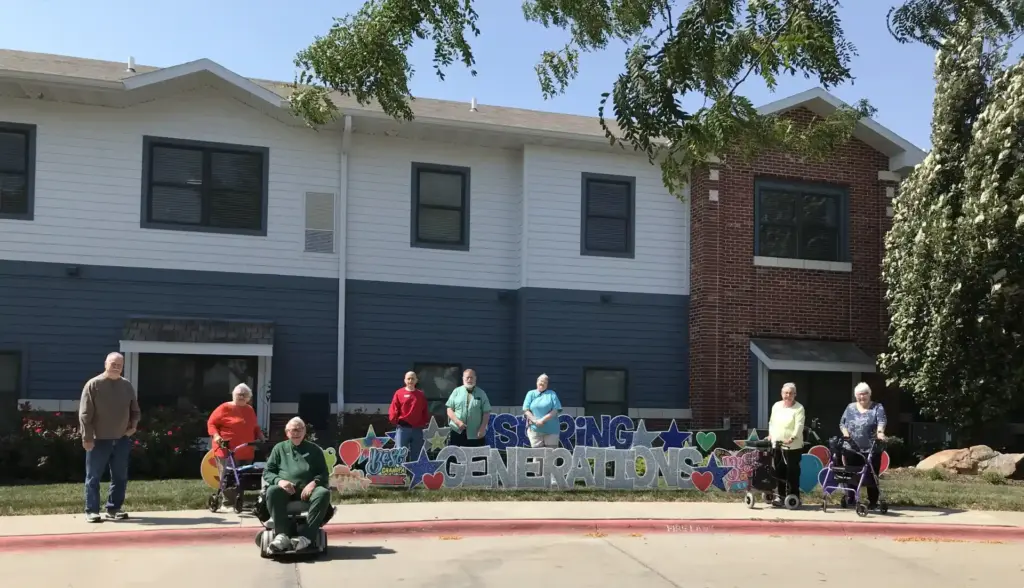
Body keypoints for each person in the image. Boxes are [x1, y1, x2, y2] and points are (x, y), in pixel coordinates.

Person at [79, 352, 141, 523]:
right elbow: (85, 414)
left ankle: (114, 508)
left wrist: (133, 426)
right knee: (93, 477)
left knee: (120, 476)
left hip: (121, 439)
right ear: (105, 363)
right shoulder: (94, 385)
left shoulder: (126, 386)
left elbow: (135, 409)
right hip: (98, 439)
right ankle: (92, 510)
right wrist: (87, 437)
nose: (116, 367)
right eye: (113, 363)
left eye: (119, 365)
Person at [262, 417, 332, 553]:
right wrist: (280, 481)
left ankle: (306, 537)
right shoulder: (279, 448)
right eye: (293, 430)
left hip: (308, 490)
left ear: (305, 431)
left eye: (300, 429)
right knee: (272, 491)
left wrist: (313, 483)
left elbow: (323, 473)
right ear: (287, 432)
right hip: (285, 491)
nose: (297, 432)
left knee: (323, 493)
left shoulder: (314, 449)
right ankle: (282, 536)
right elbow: (268, 472)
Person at [207, 383, 264, 504]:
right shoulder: (224, 408)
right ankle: (227, 502)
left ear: (249, 397)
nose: (242, 397)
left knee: (243, 477)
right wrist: (216, 436)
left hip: (246, 449)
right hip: (227, 449)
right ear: (233, 395)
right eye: (239, 394)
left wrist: (260, 435)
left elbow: (254, 426)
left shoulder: (249, 409)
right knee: (228, 475)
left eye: (245, 395)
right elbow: (211, 424)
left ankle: (238, 500)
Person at [839, 382, 888, 509]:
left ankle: (872, 501)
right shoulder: (850, 407)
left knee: (871, 474)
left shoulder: (877, 407)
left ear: (869, 394)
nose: (862, 397)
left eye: (865, 394)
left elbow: (881, 421)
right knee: (852, 474)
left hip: (871, 448)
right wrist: (845, 434)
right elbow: (842, 423)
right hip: (851, 447)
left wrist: (880, 432)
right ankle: (851, 498)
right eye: (860, 395)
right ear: (856, 396)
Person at [767, 382, 805, 505]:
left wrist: (792, 438)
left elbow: (799, 425)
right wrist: (771, 434)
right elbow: (771, 422)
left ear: (795, 394)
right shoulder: (776, 406)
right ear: (781, 393)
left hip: (792, 446)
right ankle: (780, 496)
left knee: (792, 472)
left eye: (790, 393)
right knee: (778, 471)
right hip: (777, 444)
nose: (788, 395)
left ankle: (794, 496)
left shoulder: (799, 408)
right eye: (785, 393)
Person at [445, 369, 492, 447]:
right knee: (456, 457)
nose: (469, 380)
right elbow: (449, 409)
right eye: (467, 377)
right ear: (463, 378)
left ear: (475, 379)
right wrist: (458, 422)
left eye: (471, 377)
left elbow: (486, 412)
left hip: (476, 433)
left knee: (477, 458)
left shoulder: (481, 393)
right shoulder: (456, 392)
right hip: (457, 431)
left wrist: (482, 428)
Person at [389, 371, 430, 458]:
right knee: (400, 454)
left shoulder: (420, 394)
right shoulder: (399, 393)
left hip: (417, 429)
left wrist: (425, 422)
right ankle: (401, 472)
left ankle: (413, 472)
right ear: (405, 380)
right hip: (403, 429)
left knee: (416, 455)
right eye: (408, 378)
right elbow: (393, 409)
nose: (410, 381)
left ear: (416, 381)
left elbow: (425, 410)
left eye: (412, 379)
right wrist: (395, 421)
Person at [522, 374, 562, 449]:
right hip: (535, 429)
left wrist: (542, 420)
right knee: (537, 456)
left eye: (545, 382)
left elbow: (555, 410)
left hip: (551, 430)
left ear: (547, 385)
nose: (542, 383)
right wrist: (535, 420)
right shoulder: (530, 393)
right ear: (537, 382)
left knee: (551, 455)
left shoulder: (552, 394)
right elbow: (526, 410)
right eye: (541, 381)